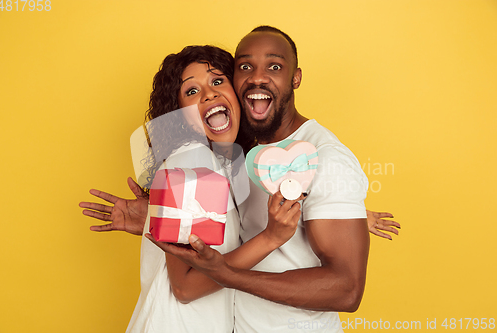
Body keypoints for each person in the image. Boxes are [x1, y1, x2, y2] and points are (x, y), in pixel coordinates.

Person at [148, 26, 396, 332]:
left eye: (274, 66)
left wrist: (342, 214)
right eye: (245, 67)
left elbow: (347, 290)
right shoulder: (238, 154)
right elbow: (217, 225)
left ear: (296, 78)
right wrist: (153, 212)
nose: (258, 77)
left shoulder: (326, 156)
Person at [82, 45, 304, 332]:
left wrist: (346, 211)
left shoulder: (218, 165)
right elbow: (185, 287)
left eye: (217, 81)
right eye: (191, 91)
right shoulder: (194, 159)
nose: (208, 93)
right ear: (180, 115)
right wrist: (271, 238)